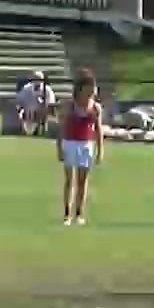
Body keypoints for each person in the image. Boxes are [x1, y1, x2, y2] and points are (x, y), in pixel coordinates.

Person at [57, 72, 105, 225]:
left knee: (82, 181)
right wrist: (59, 147)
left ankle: (79, 213)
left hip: (86, 144)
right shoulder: (69, 105)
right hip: (70, 143)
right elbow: (62, 127)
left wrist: (100, 150)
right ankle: (67, 213)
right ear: (81, 88)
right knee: (69, 180)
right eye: (90, 87)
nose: (93, 90)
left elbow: (98, 129)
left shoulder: (96, 108)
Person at [16, 71, 56, 136]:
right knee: (29, 111)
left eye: (39, 79)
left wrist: (43, 107)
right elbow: (19, 101)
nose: (37, 81)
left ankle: (39, 129)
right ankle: (29, 130)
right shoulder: (26, 88)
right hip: (28, 111)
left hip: (42, 111)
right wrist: (22, 109)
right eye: (35, 78)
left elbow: (51, 102)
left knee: (42, 111)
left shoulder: (47, 89)